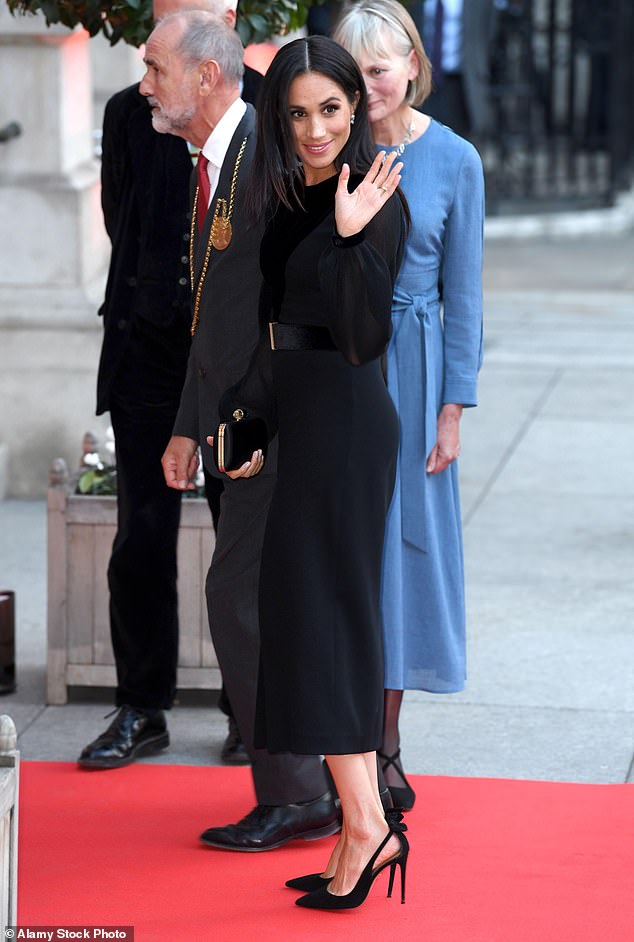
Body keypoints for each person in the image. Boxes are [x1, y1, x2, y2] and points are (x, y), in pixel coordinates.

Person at [213, 34, 410, 911]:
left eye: (330, 108)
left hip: (349, 424)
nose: (315, 128)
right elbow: (272, 323)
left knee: (327, 618)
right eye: (297, 114)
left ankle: (366, 826)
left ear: (356, 105)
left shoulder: (374, 194)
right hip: (302, 420)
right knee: (309, 619)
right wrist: (248, 418)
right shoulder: (283, 189)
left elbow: (363, 338)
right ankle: (364, 823)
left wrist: (349, 234)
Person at [148, 11, 340, 850]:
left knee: (246, 597)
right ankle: (317, 781)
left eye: (155, 67)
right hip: (237, 414)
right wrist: (190, 428)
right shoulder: (213, 155)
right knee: (259, 598)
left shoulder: (265, 153)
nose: (145, 82)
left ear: (206, 76)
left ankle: (301, 788)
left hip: (279, 416)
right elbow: (216, 309)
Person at [77, 0, 260, 771]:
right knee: (140, 536)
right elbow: (123, 219)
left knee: (242, 536)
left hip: (238, 367)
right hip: (149, 353)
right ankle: (141, 706)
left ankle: (249, 711)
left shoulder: (265, 106)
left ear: (223, 20)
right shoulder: (131, 112)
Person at [334, 0, 484, 810]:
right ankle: (344, 745)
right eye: (353, 73)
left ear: (414, 67)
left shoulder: (456, 158)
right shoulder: (329, 150)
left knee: (403, 555)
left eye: (380, 68)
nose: (368, 85)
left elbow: (465, 293)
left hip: (417, 372)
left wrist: (453, 407)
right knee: (346, 551)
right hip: (340, 367)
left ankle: (385, 743)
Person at [412, 0, 499, 143]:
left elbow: (490, 34)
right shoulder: (420, 4)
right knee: (423, 138)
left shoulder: (481, 3)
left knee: (460, 141)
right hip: (426, 81)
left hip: (462, 83)